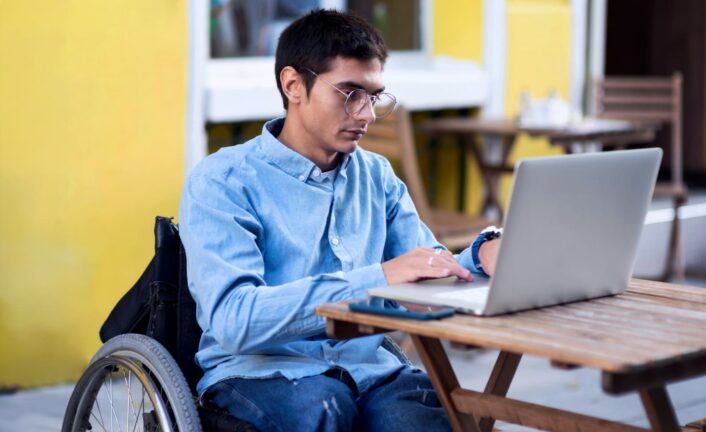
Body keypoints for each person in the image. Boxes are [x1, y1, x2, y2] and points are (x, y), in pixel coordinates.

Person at [179, 8, 500, 431]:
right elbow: (235, 321)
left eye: (374, 95)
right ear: (293, 85)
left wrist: (482, 257)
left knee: (434, 416)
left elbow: (422, 272)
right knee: (325, 409)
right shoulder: (222, 181)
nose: (366, 114)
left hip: (370, 371)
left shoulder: (377, 175)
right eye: (350, 93)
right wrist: (378, 278)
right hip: (259, 373)